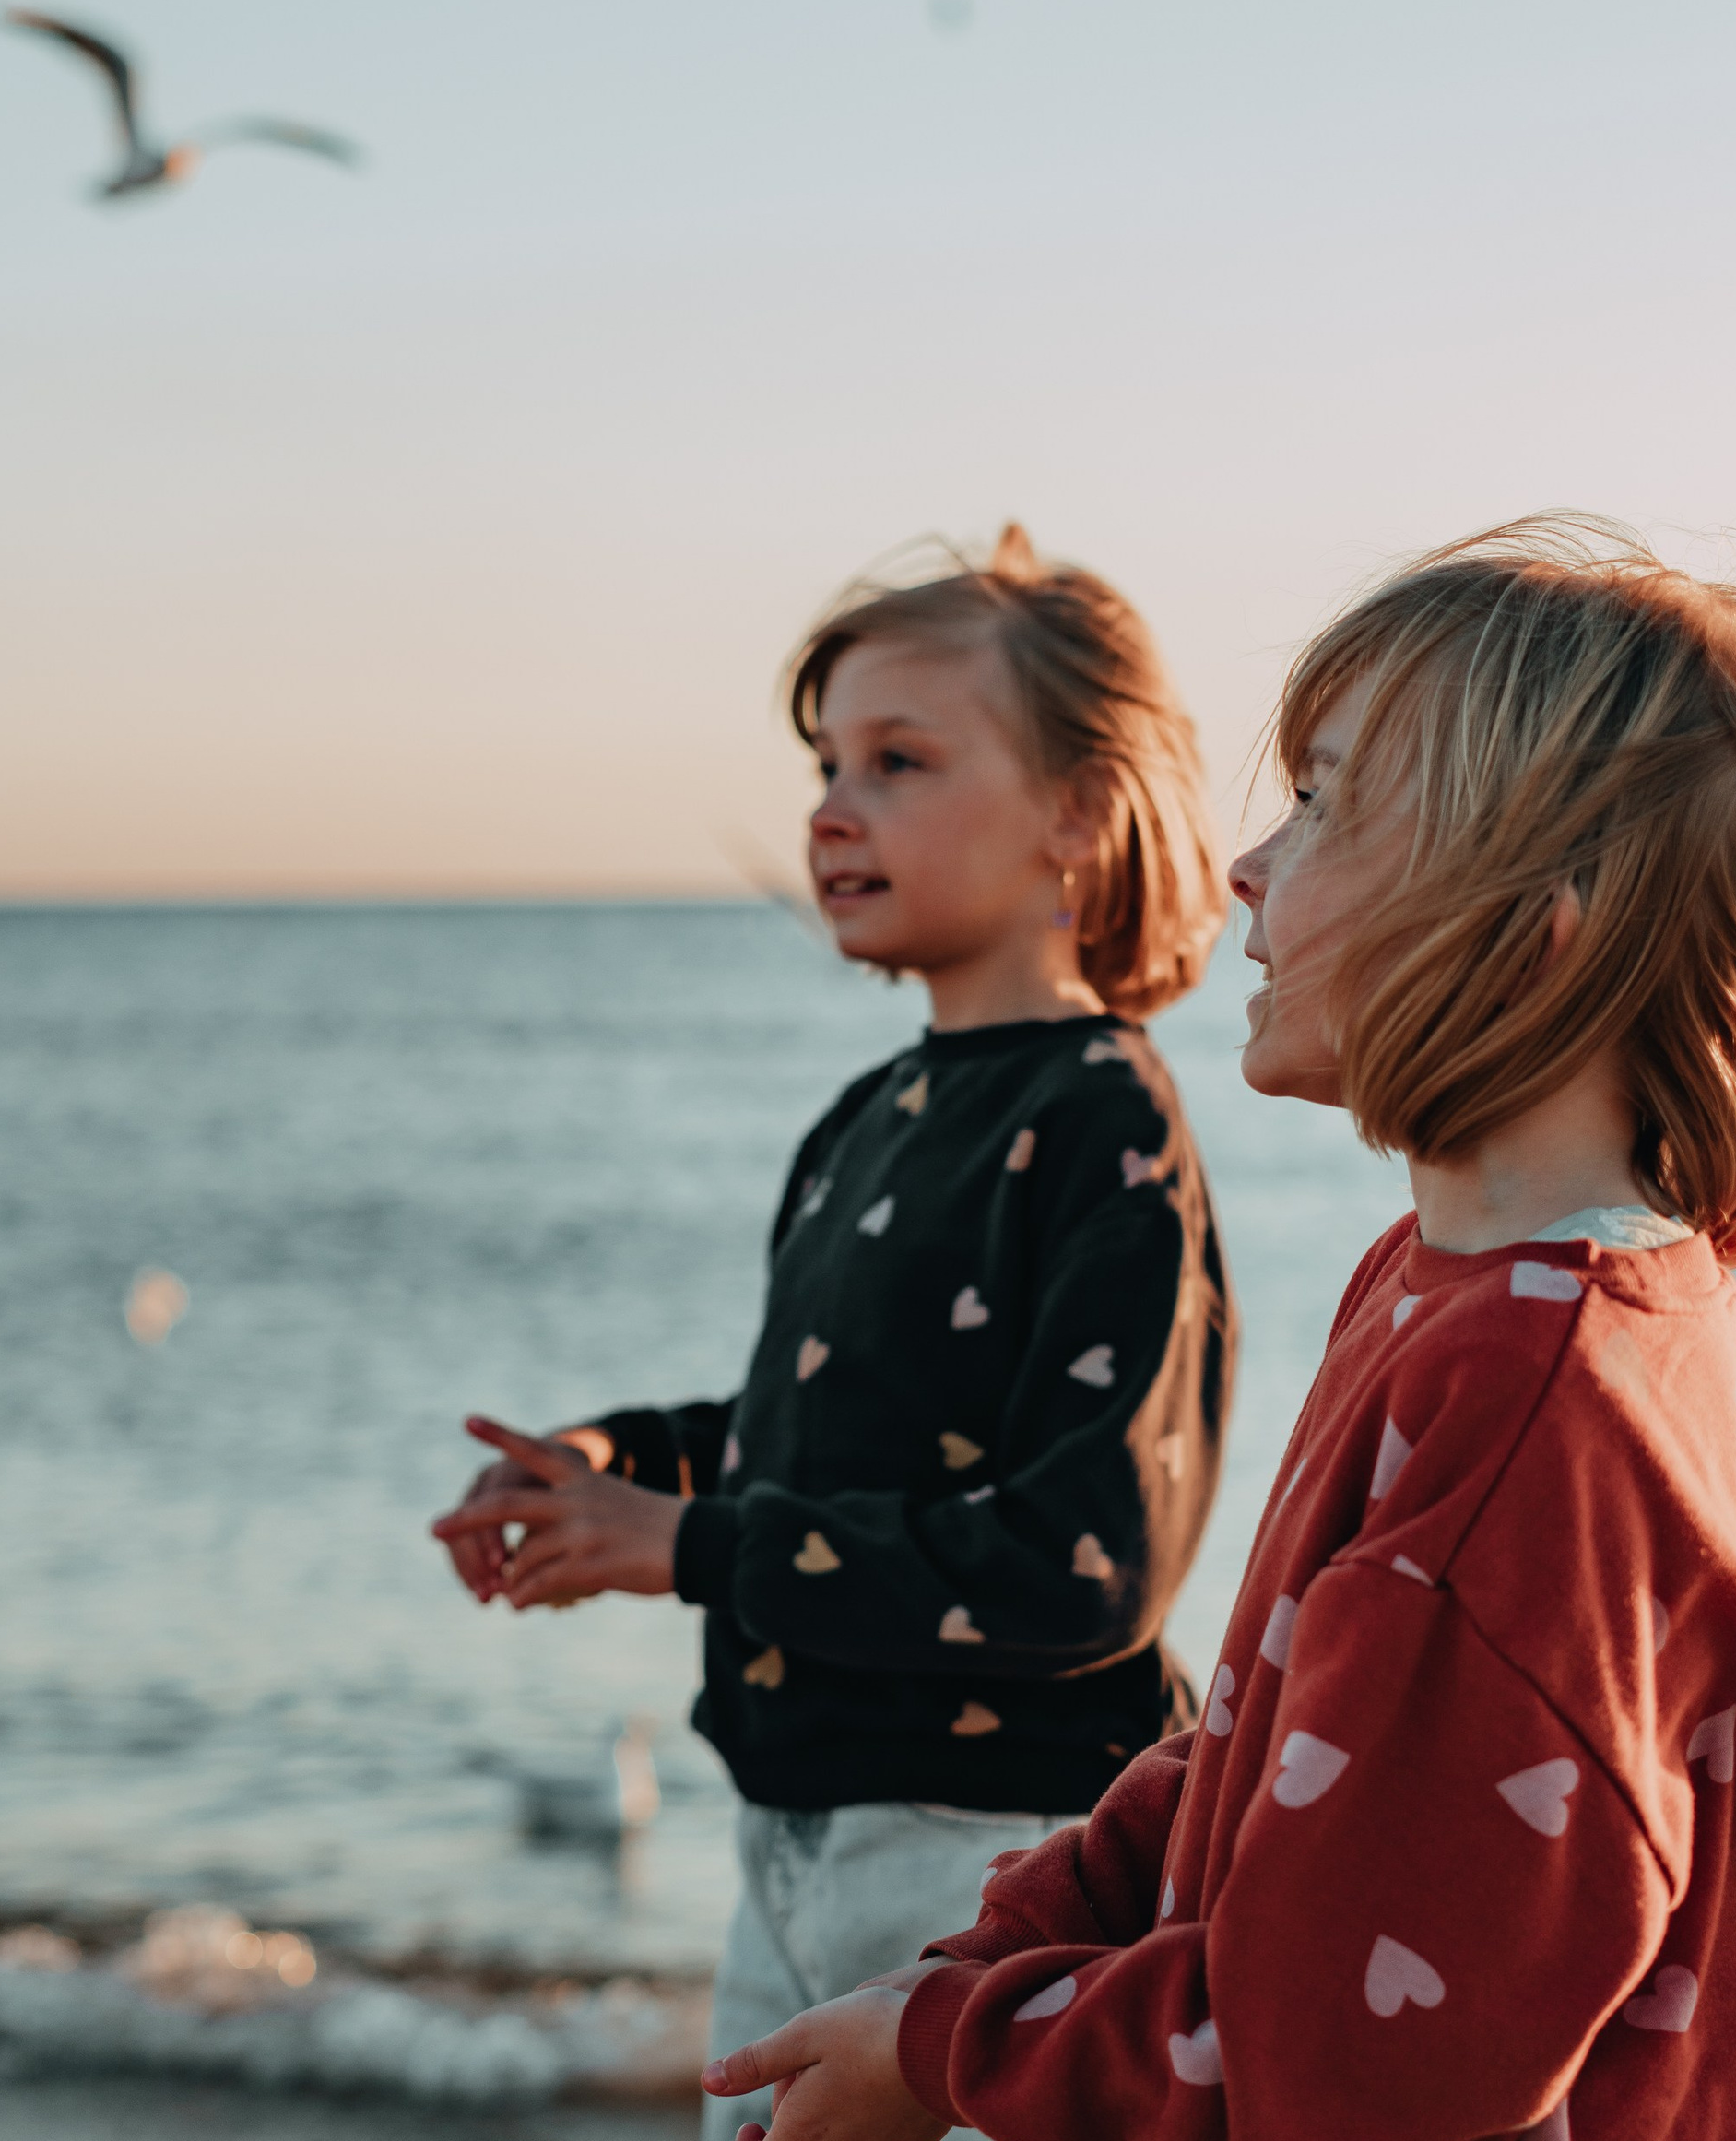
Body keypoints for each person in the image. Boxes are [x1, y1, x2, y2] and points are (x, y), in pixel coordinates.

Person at [703, 515, 1736, 2139]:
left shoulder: (1531, 1400)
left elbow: (1335, 2072)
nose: (1246, 864)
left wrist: (949, 2053)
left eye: (1327, 800)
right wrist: (988, 1958)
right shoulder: (1455, 1288)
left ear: (1535, 919)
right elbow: (1259, 1743)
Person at [431, 526, 1239, 2141]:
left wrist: (691, 1546)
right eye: (826, 765)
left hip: (1000, 1856)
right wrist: (617, 1471)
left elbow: (1088, 1565)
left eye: (899, 760)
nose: (831, 807)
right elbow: (824, 1428)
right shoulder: (868, 1118)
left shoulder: (1105, 1121)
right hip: (787, 1842)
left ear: (1076, 813)